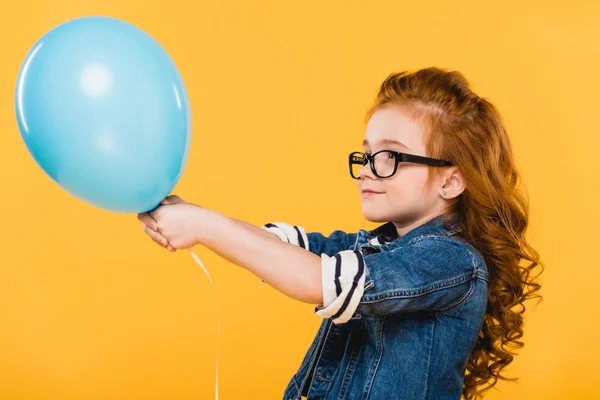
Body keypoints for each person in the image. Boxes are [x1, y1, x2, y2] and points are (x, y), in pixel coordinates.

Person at [137, 67, 543, 400]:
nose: (367, 169)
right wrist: (195, 216)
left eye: (389, 156)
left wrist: (206, 226)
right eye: (366, 154)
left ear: (452, 182)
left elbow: (319, 280)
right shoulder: (379, 247)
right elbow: (283, 248)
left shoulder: (452, 260)